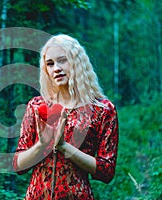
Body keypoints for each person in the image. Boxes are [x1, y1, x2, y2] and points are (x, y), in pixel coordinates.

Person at [13, 34, 119, 199]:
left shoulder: (103, 110)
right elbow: (18, 165)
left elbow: (107, 171)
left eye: (63, 60)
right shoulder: (36, 106)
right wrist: (41, 145)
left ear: (77, 62)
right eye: (50, 64)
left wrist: (64, 147)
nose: (56, 68)